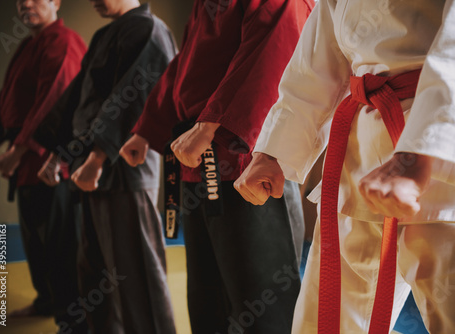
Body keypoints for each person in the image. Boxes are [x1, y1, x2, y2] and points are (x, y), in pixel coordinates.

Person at [235, 0, 455, 333]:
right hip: (359, 151)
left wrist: (419, 154)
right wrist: (273, 151)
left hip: (450, 149)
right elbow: (315, 63)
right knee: (326, 318)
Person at [119, 0, 314, 332]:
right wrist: (148, 127)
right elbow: (188, 66)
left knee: (261, 302)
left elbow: (274, 53)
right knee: (207, 296)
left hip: (245, 163)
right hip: (197, 162)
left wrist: (210, 125)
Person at [34, 0, 177, 332]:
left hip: (126, 171)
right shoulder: (104, 35)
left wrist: (98, 157)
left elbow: (134, 96)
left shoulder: (148, 30)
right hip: (92, 169)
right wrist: (60, 154)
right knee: (96, 274)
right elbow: (76, 102)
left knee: (135, 276)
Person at [0, 0, 87, 330]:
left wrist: (17, 152)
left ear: (55, 2)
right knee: (35, 241)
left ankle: (72, 317)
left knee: (61, 244)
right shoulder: (28, 46)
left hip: (51, 162)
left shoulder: (64, 42)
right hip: (24, 165)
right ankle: (46, 301)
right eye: (20, 1)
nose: (26, 5)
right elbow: (6, 101)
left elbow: (54, 103)